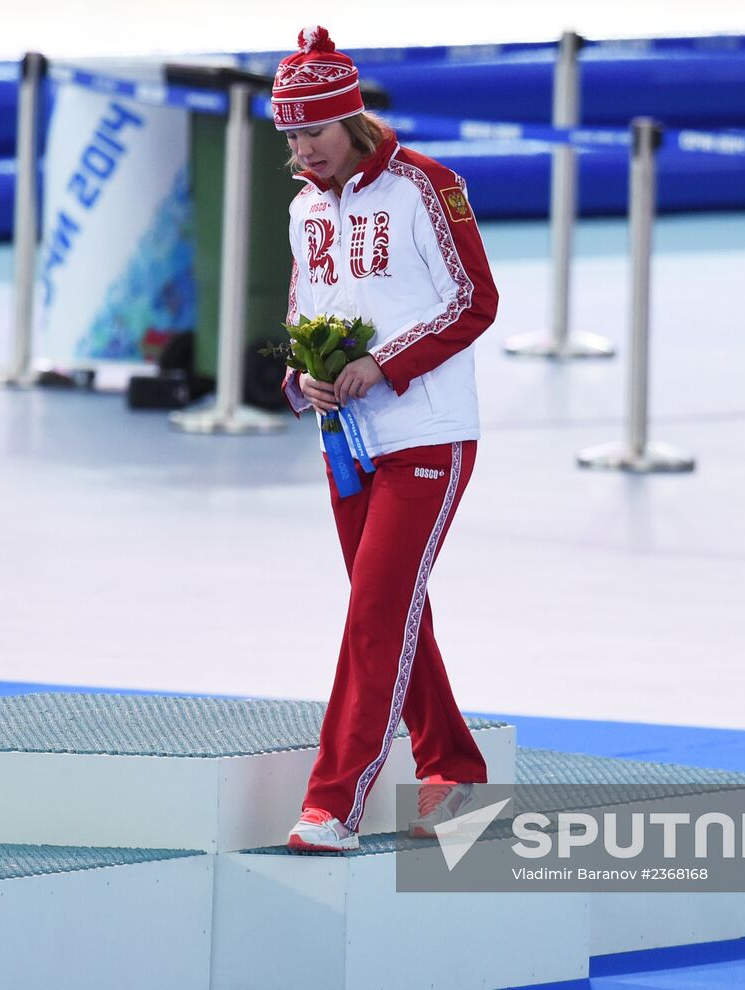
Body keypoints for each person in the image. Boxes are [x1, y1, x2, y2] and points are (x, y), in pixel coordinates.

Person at [271, 27, 500, 852]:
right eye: (291, 136)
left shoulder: (425, 187)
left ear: (350, 118)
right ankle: (456, 766)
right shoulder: (304, 207)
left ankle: (333, 805)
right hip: (344, 440)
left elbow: (475, 300)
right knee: (396, 613)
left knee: (375, 614)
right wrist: (305, 378)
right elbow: (302, 315)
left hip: (427, 436)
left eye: (314, 133)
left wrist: (383, 363)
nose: (304, 151)